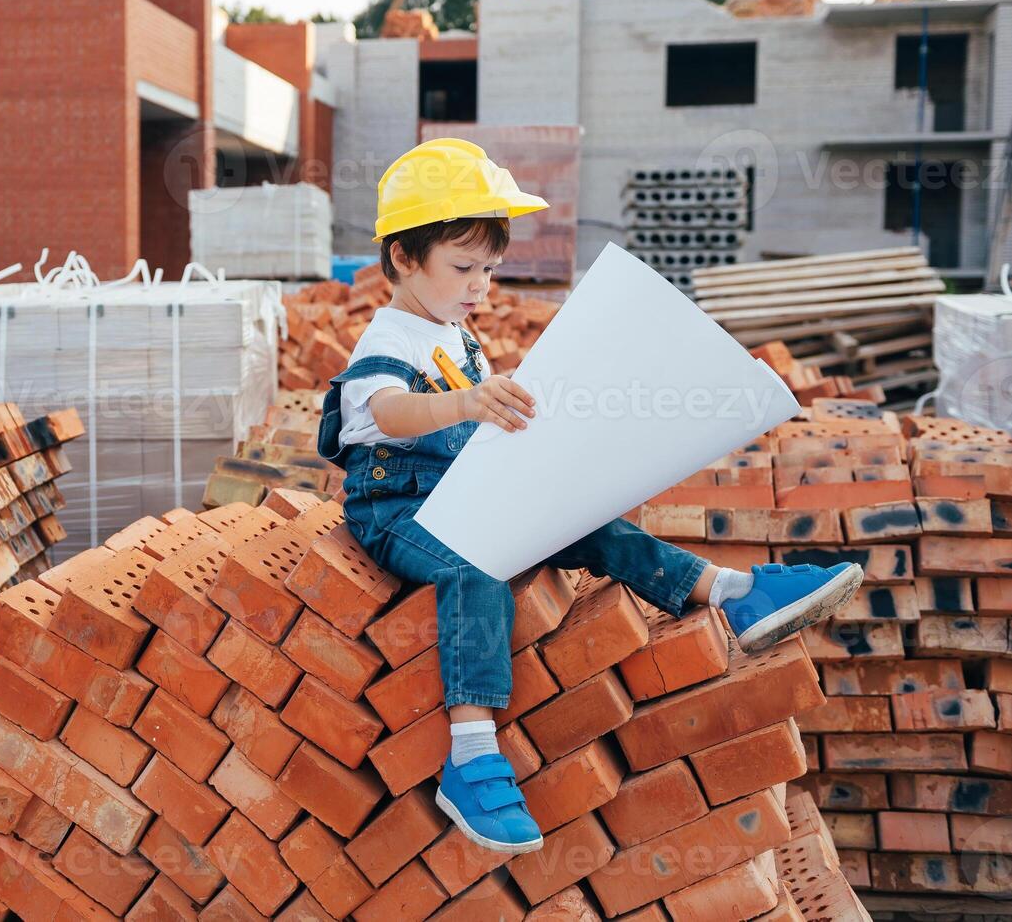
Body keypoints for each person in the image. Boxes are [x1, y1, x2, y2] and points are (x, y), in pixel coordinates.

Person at [315, 138, 864, 855]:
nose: (480, 284)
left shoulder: (454, 331)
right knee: (472, 569)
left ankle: (733, 593)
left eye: (489, 267)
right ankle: (472, 756)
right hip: (396, 510)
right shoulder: (390, 337)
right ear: (400, 259)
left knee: (587, 523)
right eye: (462, 267)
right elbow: (388, 412)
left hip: (457, 489)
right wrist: (465, 404)